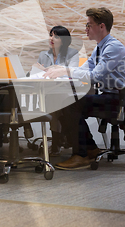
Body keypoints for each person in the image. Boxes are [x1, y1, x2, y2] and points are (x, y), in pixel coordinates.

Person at [45, 7, 125, 170]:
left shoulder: (113, 47)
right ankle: (90, 149)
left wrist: (65, 71)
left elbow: (95, 76)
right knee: (68, 103)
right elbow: (85, 69)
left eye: (89, 25)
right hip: (114, 96)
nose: (86, 28)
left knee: (69, 104)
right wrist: (64, 71)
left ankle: (81, 155)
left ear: (101, 26)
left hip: (123, 100)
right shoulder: (100, 47)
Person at [34, 26, 79, 155]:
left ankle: (56, 141)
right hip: (46, 90)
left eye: (56, 36)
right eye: (50, 35)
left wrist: (52, 70)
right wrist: (36, 69)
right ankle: (59, 139)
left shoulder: (72, 53)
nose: (51, 38)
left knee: (55, 104)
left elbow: (72, 72)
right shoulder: (44, 54)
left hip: (65, 91)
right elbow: (36, 74)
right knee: (52, 103)